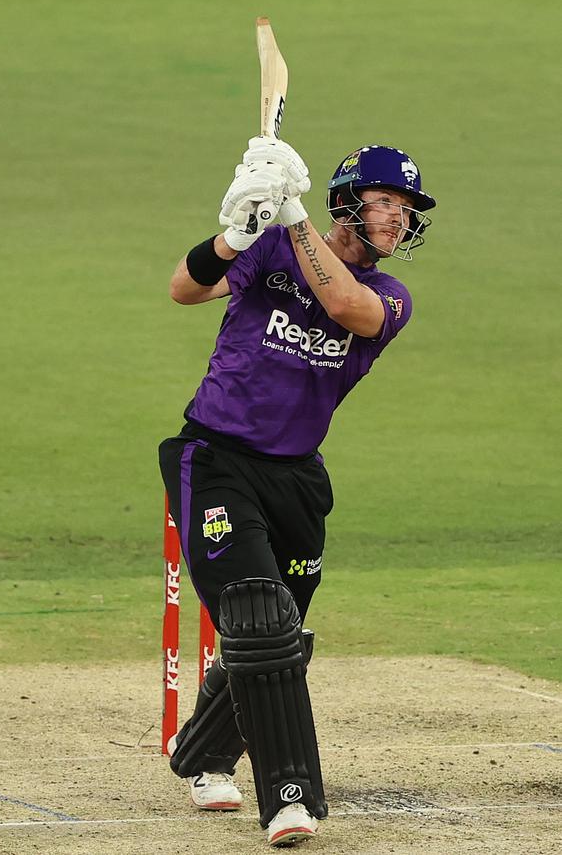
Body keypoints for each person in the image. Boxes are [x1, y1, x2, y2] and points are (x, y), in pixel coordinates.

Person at [158, 139, 436, 847]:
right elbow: (183, 290)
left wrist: (293, 211)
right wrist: (233, 236)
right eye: (386, 205)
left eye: (405, 212)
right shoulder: (273, 247)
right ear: (349, 200)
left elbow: (344, 304)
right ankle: (290, 796)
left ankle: (203, 755)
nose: (398, 222)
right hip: (216, 457)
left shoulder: (391, 296)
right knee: (255, 616)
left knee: (277, 632)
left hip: (298, 477)